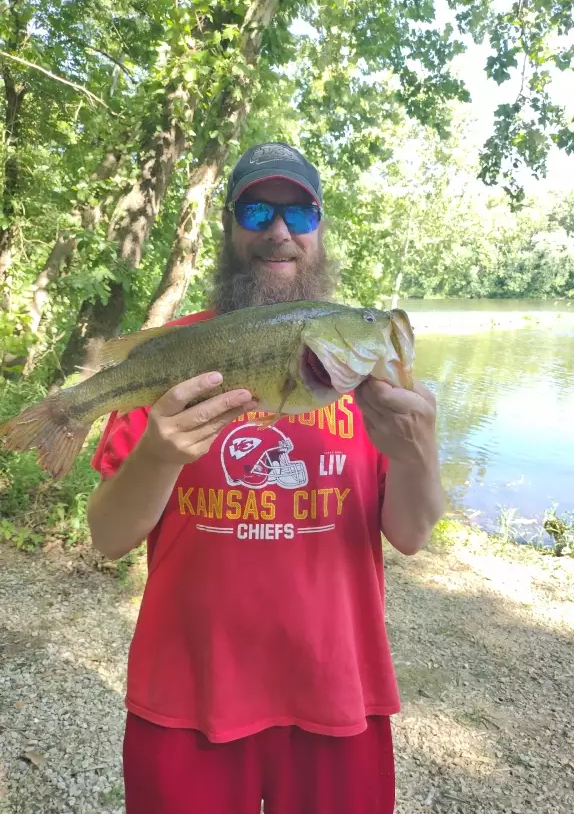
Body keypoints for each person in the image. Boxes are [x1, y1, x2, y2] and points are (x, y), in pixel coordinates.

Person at [87, 141, 445, 814]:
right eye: (256, 209)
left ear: (319, 229)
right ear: (227, 228)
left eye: (297, 213)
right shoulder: (178, 358)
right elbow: (106, 535)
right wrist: (159, 455)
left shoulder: (363, 369)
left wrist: (418, 450)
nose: (277, 230)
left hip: (339, 695)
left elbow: (411, 532)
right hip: (187, 697)